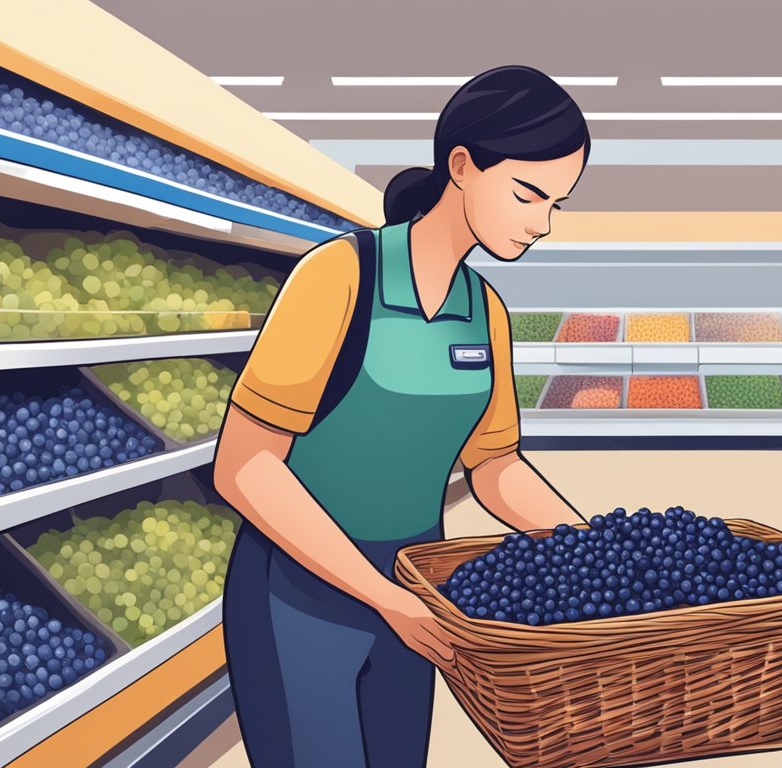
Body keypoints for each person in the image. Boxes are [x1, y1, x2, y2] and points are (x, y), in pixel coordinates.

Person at [213, 65, 591, 767]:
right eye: (528, 194)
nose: (540, 225)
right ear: (462, 166)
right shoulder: (341, 276)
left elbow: (496, 467)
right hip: (299, 589)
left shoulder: (486, 313)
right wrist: (381, 595)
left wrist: (594, 546)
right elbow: (246, 466)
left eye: (557, 205)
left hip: (419, 593)